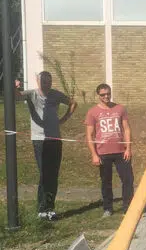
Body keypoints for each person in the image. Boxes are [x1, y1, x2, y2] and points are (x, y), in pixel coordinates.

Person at [15, 71, 77, 220]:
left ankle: (50, 208)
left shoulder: (56, 95)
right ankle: (42, 209)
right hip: (39, 139)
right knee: (44, 173)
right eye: (43, 82)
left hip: (55, 139)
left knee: (53, 174)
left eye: (49, 82)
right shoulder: (32, 94)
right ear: (38, 82)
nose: (46, 84)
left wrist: (64, 119)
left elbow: (73, 103)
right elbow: (16, 97)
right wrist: (14, 87)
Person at [85, 83, 134, 217]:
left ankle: (128, 208)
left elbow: (127, 129)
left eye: (108, 94)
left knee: (128, 179)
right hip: (103, 153)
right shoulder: (92, 112)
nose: (106, 96)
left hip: (121, 151)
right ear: (98, 95)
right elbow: (89, 135)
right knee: (106, 182)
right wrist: (94, 154)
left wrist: (128, 148)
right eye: (103, 95)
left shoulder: (120, 109)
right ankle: (108, 208)